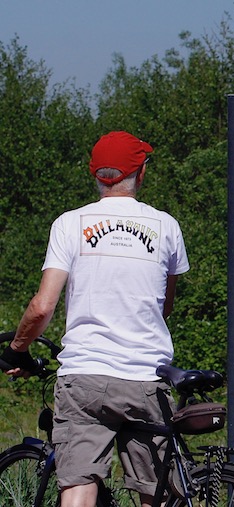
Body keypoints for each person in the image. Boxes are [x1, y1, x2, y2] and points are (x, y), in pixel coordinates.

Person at [0, 131, 190, 507]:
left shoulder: (69, 224)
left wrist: (17, 348)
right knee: (155, 493)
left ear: (95, 174)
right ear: (141, 173)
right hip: (146, 378)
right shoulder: (166, 226)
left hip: (85, 378)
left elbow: (42, 307)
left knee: (78, 483)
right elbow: (164, 306)